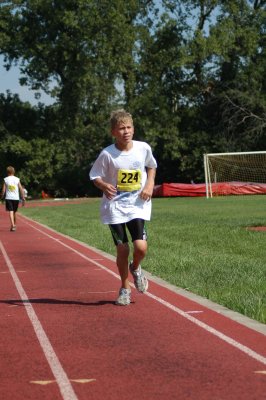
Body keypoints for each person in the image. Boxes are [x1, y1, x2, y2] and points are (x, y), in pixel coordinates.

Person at [89, 109, 157, 306]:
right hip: (115, 207)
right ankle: (124, 288)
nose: (126, 131)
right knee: (122, 248)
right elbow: (95, 176)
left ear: (133, 129)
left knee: (141, 247)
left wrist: (149, 185)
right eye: (121, 128)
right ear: (113, 132)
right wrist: (103, 185)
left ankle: (135, 268)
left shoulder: (143, 148)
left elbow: (151, 166)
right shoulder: (107, 154)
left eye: (128, 127)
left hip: (137, 204)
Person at [1, 166, 25, 231]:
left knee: (11, 211)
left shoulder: (6, 179)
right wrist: (23, 197)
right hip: (16, 198)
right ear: (14, 172)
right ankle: (13, 225)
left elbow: (3, 190)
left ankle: (13, 225)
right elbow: (21, 189)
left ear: (7, 172)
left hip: (9, 198)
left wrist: (2, 196)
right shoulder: (17, 179)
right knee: (14, 212)